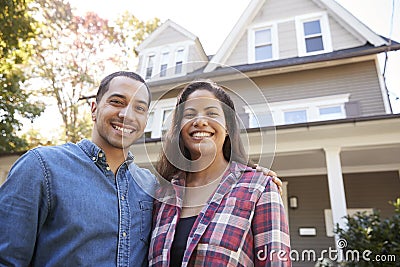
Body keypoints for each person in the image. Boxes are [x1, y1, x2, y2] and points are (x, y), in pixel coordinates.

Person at [0, 71, 280, 266]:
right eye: (117, 102)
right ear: (94, 108)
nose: (126, 115)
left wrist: (250, 177)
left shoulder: (151, 188)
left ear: (146, 119)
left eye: (139, 108)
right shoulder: (43, 167)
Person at [149, 81, 291, 266]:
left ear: (228, 128)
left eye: (211, 113)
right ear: (179, 129)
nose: (200, 121)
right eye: (190, 114)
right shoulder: (162, 197)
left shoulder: (260, 188)